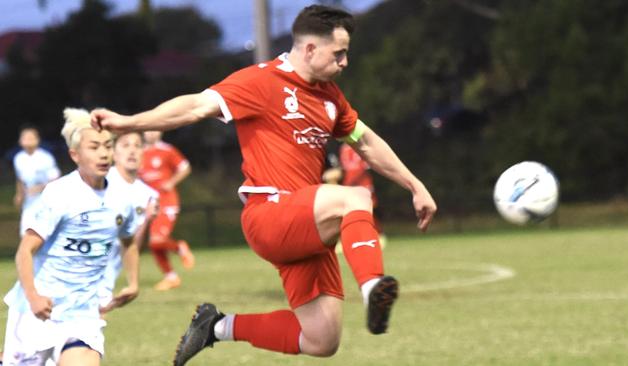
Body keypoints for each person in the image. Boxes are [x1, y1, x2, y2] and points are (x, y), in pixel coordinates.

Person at [90, 4, 436, 365]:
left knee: (321, 339)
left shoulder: (330, 96)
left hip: (307, 226)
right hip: (270, 214)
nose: (345, 62)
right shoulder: (260, 81)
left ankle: (216, 326)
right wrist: (130, 123)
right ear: (310, 49)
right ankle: (372, 288)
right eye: (340, 53)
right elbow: (195, 106)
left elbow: (366, 143)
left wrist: (414, 185)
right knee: (356, 198)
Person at [2, 108, 140, 366]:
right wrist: (33, 297)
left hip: (82, 314)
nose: (103, 153)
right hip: (38, 309)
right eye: (94, 147)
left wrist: (133, 282)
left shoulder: (123, 198)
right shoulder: (60, 194)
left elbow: (129, 240)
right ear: (75, 155)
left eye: (108, 146)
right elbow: (24, 251)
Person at [99, 132, 159, 313]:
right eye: (125, 145)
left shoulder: (148, 194)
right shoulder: (101, 182)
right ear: (113, 153)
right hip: (82, 265)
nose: (132, 150)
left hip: (108, 273)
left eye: (137, 145)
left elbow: (133, 246)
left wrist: (147, 220)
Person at [139, 130, 194, 291]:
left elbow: (185, 167)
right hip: (148, 204)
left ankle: (180, 248)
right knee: (154, 244)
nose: (150, 134)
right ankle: (171, 278)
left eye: (154, 130)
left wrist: (171, 182)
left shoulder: (167, 150)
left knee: (156, 240)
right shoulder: (139, 152)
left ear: (160, 132)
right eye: (148, 131)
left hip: (166, 201)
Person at [12, 126, 61, 237]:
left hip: (45, 202)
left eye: (31, 138)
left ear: (37, 140)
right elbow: (20, 178)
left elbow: (55, 179)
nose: (27, 141)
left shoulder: (45, 158)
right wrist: (19, 194)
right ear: (20, 141)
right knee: (25, 233)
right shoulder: (18, 158)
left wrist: (40, 188)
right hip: (29, 203)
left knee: (44, 234)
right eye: (25, 138)